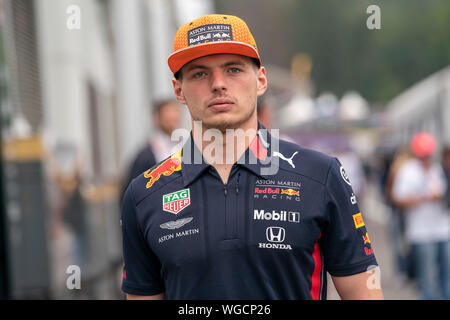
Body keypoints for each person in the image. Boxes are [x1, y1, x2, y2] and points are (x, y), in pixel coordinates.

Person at [121, 14, 383, 300]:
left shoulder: (320, 175)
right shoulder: (143, 194)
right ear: (178, 90)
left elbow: (364, 293)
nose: (218, 84)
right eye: (199, 73)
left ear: (260, 81)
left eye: (233, 69)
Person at [392, 132, 450, 300]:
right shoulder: (408, 171)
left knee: (446, 276)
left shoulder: (436, 169)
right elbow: (398, 199)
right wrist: (424, 198)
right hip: (421, 233)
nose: (427, 159)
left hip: (442, 229)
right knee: (427, 279)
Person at [121, 99, 182, 203]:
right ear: (157, 118)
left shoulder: (187, 148)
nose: (172, 117)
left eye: (175, 112)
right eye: (167, 113)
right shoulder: (145, 156)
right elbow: (131, 192)